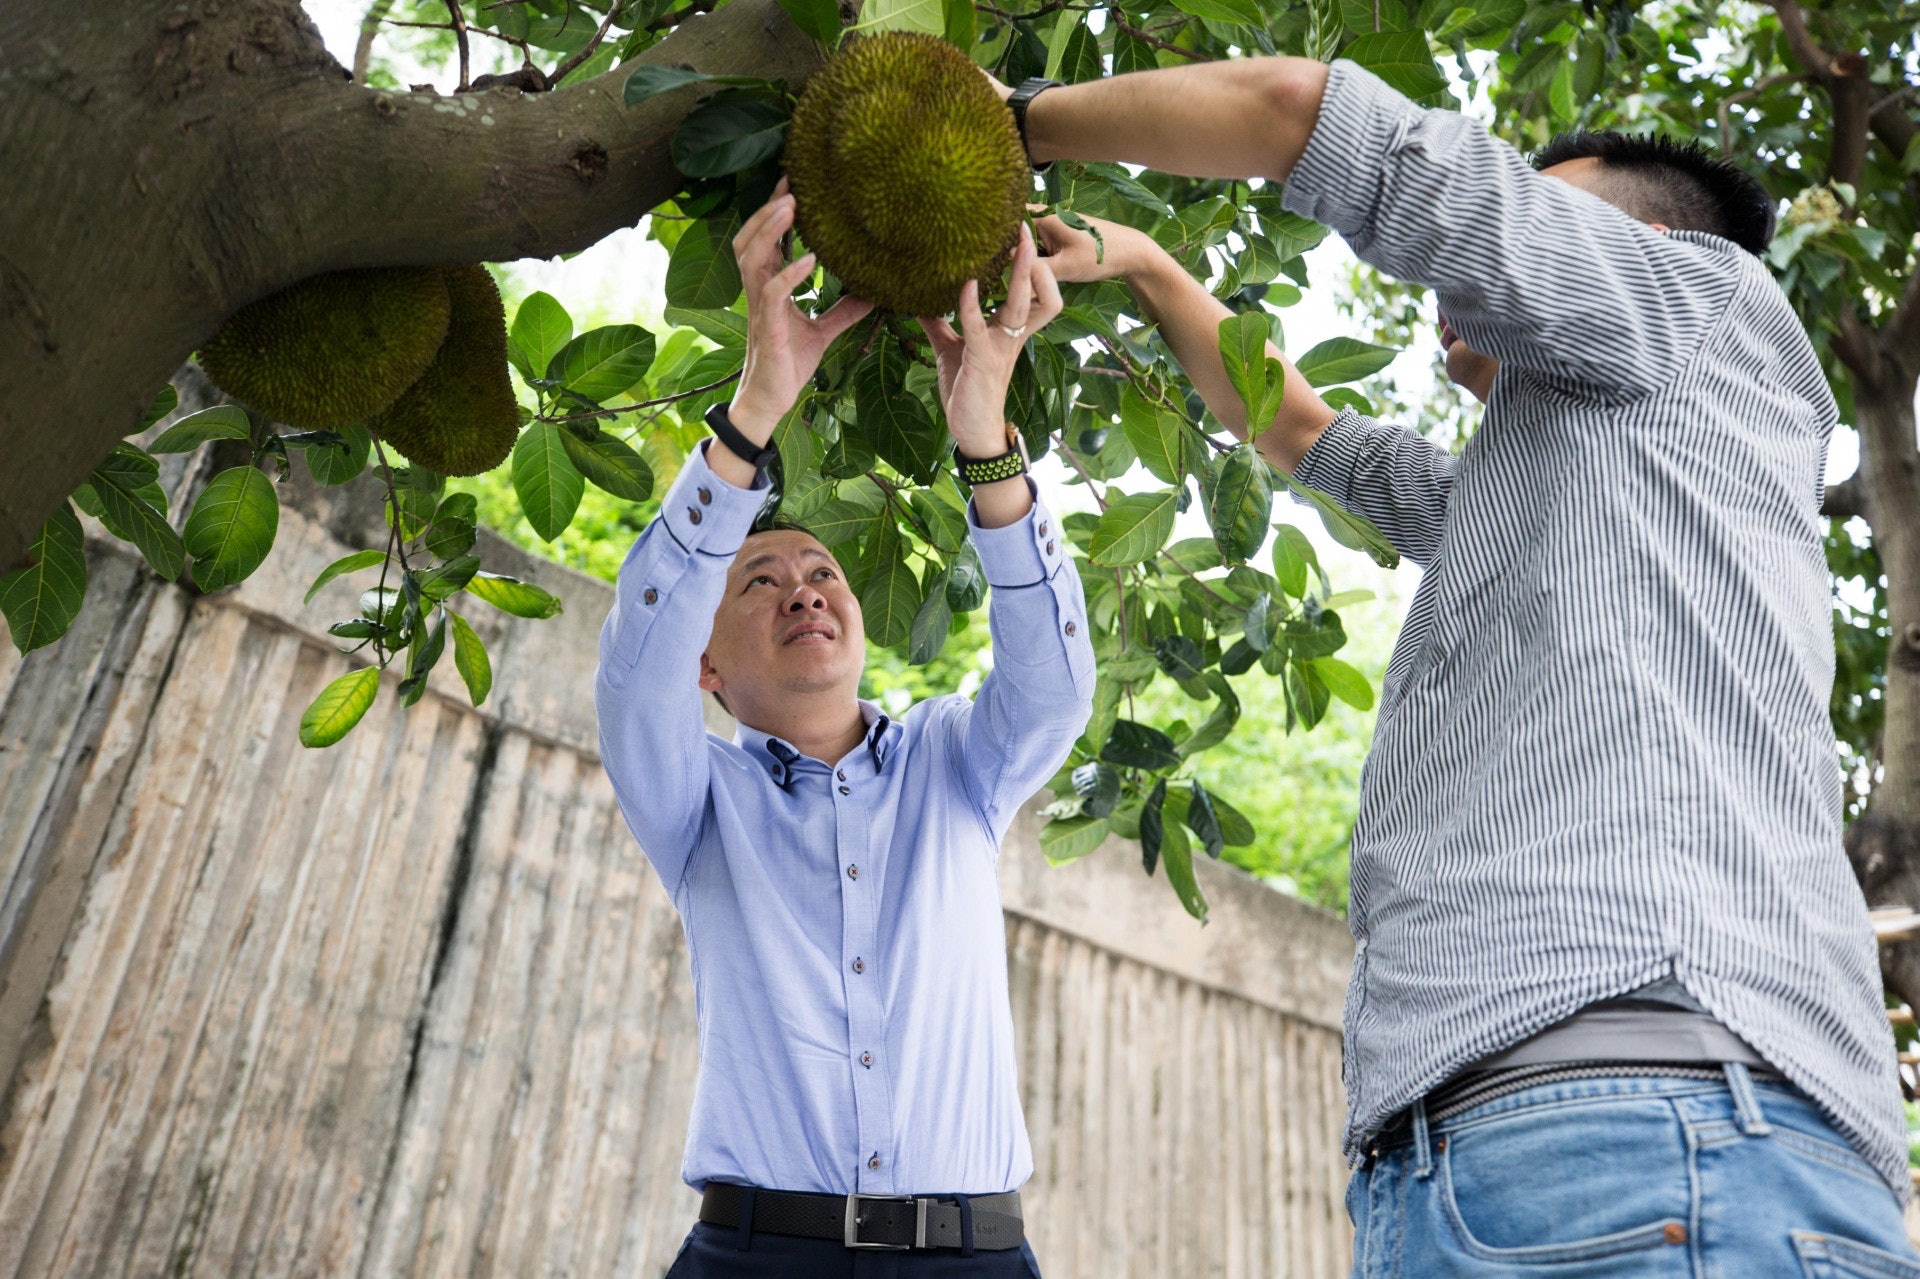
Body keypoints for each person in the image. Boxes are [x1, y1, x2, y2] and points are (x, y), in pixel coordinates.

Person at [1002, 55, 1917, 1276]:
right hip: (1482, 1153)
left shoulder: (1703, 302)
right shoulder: (1563, 479)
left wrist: (1014, 126)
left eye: (1549, 202)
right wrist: (1151, 266)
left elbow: (1303, 116)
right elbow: (1303, 432)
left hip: (1656, 1121)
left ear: (1640, 242)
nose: (1503, 231)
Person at [594, 178, 1091, 1277]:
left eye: (821, 571)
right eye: (758, 580)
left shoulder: (956, 764)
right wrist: (754, 410)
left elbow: (1054, 692)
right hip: (757, 1253)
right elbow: (636, 668)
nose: (803, 588)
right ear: (711, 669)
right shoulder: (694, 802)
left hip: (975, 1253)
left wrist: (989, 447)